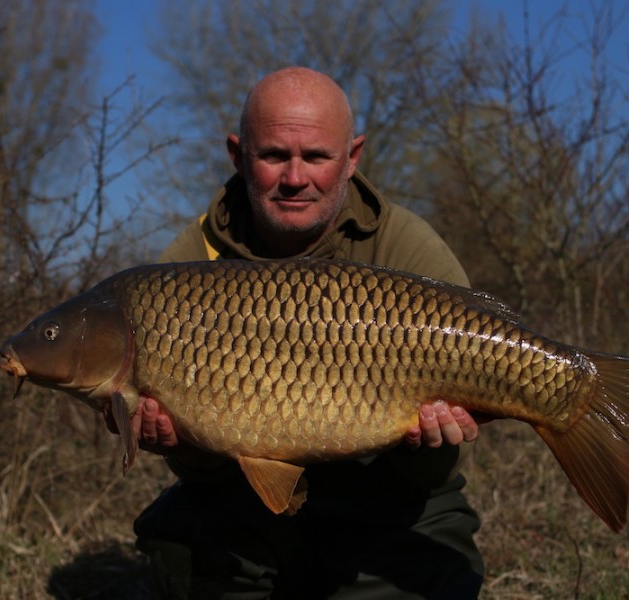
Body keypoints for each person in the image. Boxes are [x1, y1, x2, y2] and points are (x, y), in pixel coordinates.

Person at [105, 67, 485, 599]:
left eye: (316, 157)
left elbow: (434, 473)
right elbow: (199, 475)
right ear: (238, 155)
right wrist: (184, 447)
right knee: (181, 543)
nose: (294, 177)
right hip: (244, 503)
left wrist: (430, 443)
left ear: (352, 158)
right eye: (274, 156)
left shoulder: (407, 249)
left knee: (429, 571)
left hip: (391, 496)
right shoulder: (189, 264)